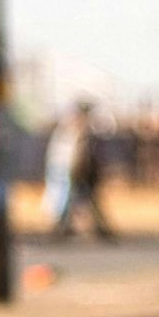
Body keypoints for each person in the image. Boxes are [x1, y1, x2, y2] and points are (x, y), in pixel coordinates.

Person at [44, 99, 116, 243]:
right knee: (69, 201)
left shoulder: (77, 129)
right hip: (71, 171)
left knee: (83, 201)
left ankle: (98, 230)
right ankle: (63, 229)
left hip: (78, 171)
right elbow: (74, 155)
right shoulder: (73, 129)